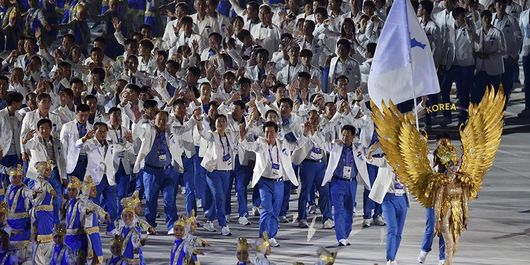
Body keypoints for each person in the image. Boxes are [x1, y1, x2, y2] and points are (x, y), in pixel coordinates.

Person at [239, 121, 311, 246]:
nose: (269, 134)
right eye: (267, 132)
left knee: (275, 211)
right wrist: (241, 136)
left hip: (279, 182)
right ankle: (262, 238)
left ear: (276, 133)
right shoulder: (260, 143)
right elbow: (247, 146)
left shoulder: (283, 143)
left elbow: (297, 145)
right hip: (264, 182)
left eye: (272, 132)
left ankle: (272, 236)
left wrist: (305, 133)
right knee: (267, 209)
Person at [317, 125, 370, 246]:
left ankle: (345, 235)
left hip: (352, 183)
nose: (345, 137)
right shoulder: (336, 146)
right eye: (343, 135)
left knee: (349, 211)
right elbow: (320, 143)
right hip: (337, 182)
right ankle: (340, 237)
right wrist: (311, 134)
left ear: (353, 137)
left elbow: (370, 152)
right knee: (338, 210)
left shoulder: (358, 148)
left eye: (348, 135)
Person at [133, 110, 180, 235]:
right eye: (160, 119)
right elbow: (138, 132)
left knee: (169, 198)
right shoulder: (148, 130)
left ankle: (171, 226)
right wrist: (137, 121)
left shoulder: (170, 132)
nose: (162, 122)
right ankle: (150, 225)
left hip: (168, 171)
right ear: (155, 120)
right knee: (151, 199)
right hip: (151, 171)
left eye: (165, 120)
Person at [366, 144, 408, 265]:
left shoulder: (406, 164)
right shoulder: (385, 161)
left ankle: (393, 255)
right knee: (392, 228)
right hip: (388, 199)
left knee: (399, 232)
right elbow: (370, 160)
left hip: (402, 199)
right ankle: (390, 258)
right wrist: (371, 151)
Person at [197, 113, 236, 236]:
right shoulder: (212, 136)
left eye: (223, 121)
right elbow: (202, 132)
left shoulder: (230, 135)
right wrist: (198, 120)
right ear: (215, 124)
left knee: (220, 198)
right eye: (219, 121)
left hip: (226, 171)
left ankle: (209, 221)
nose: (221, 123)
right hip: (213, 172)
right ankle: (223, 225)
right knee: (220, 197)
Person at [78, 175, 111, 264]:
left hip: (95, 232)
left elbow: (98, 209)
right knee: (88, 252)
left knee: (97, 251)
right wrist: (87, 211)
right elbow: (81, 210)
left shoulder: (91, 203)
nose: (96, 192)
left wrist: (105, 215)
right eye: (93, 190)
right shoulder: (81, 202)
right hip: (87, 233)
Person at [31, 161, 56, 265]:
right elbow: (52, 192)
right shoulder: (45, 184)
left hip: (40, 213)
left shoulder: (36, 182)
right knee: (45, 237)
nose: (49, 171)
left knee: (40, 237)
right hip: (43, 214)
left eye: (50, 169)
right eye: (47, 170)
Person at [0, 92, 24, 202]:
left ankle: (12, 203)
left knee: (15, 179)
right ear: (14, 103)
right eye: (20, 102)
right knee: (2, 179)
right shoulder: (1, 115)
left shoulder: (18, 116)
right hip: (3, 153)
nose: (21, 105)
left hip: (16, 153)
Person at [5, 165, 31, 263]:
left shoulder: (24, 189)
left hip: (22, 225)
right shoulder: (9, 188)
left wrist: (34, 193)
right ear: (10, 178)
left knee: (21, 256)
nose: (17, 179)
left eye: (19, 177)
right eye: (14, 177)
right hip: (10, 225)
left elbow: (29, 193)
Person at [60, 104, 91, 181]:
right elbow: (63, 150)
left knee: (83, 190)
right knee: (70, 190)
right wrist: (63, 173)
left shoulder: (91, 127)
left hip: (85, 163)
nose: (83, 118)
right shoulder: (67, 126)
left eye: (86, 115)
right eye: (81, 115)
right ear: (76, 113)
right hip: (71, 163)